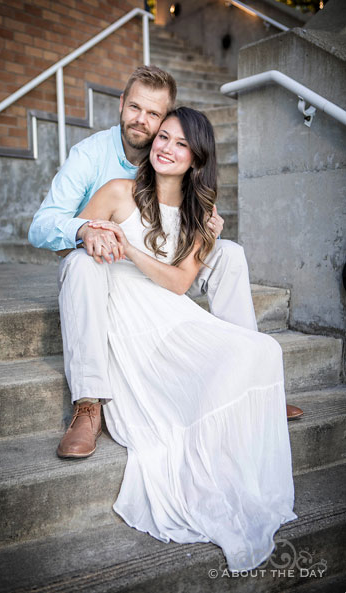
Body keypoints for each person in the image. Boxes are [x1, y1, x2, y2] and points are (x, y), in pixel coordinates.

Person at [61, 106, 298, 572]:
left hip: (168, 311)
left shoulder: (199, 214)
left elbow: (177, 285)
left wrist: (129, 247)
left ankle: (258, 393)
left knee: (263, 349)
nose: (166, 148)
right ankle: (89, 401)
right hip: (122, 314)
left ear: (196, 158)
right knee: (79, 264)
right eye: (162, 137)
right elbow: (77, 240)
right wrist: (92, 236)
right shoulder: (117, 191)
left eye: (180, 143)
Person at [28, 65, 302, 460]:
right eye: (135, 107)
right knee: (80, 265)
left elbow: (184, 240)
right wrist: (85, 230)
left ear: (166, 121)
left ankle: (249, 380)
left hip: (164, 264)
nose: (142, 120)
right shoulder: (92, 158)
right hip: (108, 267)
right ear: (121, 105)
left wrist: (210, 228)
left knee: (230, 253)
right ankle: (89, 403)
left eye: (154, 114)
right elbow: (43, 228)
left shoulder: (179, 169)